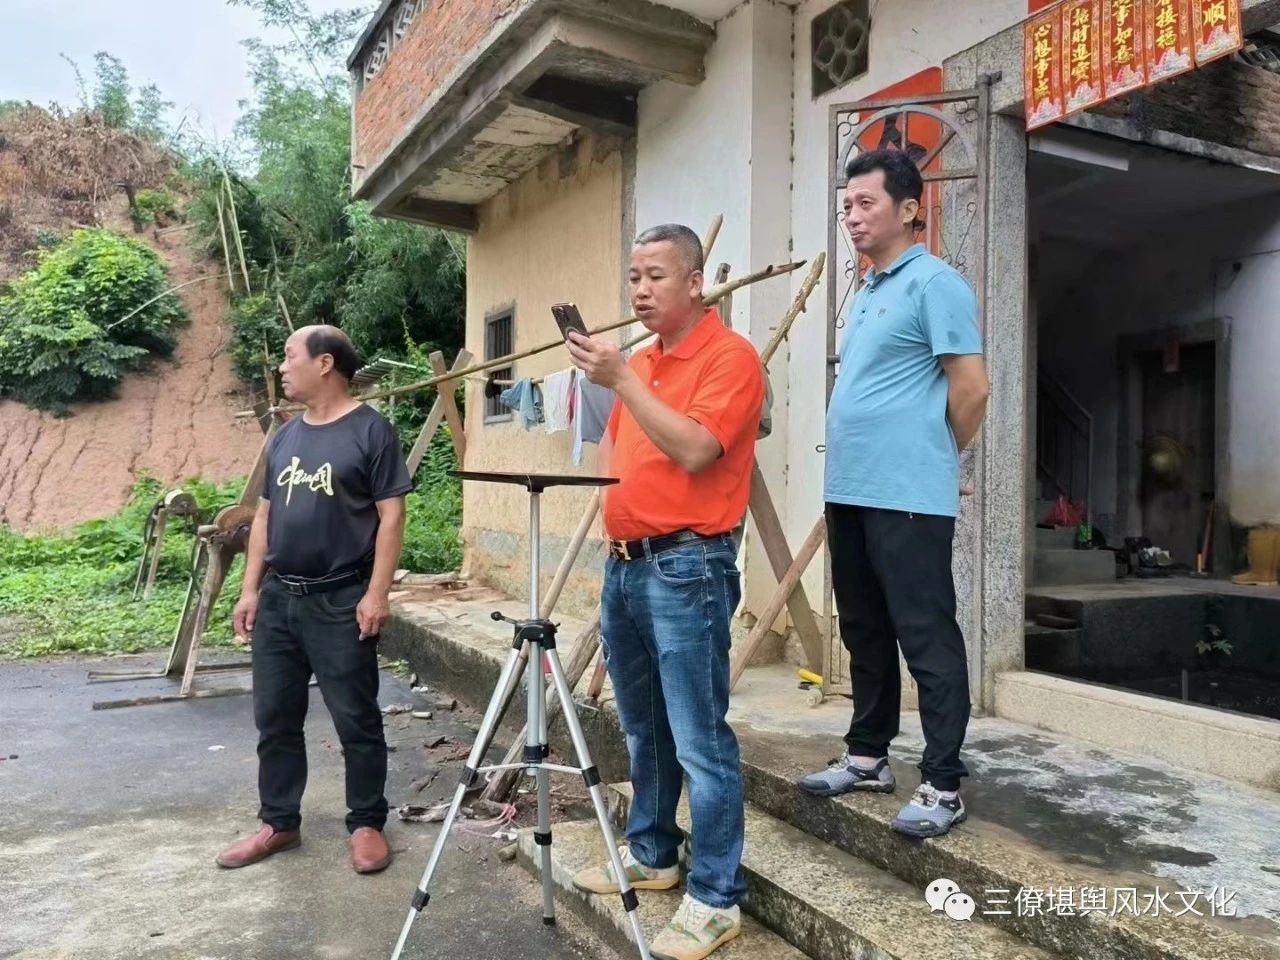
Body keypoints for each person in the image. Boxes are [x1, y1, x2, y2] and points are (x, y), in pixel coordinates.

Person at [565, 224, 764, 960]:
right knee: (644, 727)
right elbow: (620, 451)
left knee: (700, 739)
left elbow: (696, 449)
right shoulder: (644, 361)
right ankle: (653, 853)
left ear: (695, 282)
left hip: (688, 567)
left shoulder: (730, 357)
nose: (641, 290)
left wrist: (622, 379)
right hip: (626, 565)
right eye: (634, 277)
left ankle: (716, 897)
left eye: (656, 276)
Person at [799, 149, 989, 839]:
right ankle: (868, 755)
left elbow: (972, 389)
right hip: (851, 490)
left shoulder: (936, 283)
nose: (852, 216)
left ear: (909, 209)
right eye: (846, 206)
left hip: (907, 494)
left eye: (866, 203)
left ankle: (943, 783)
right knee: (864, 629)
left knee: (925, 634)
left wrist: (933, 456)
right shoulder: (870, 290)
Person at [217, 325, 412, 873]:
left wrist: (376, 593)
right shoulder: (285, 435)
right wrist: (250, 589)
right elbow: (265, 517)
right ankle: (279, 823)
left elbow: (391, 516)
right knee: (275, 716)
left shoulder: (371, 430)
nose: (282, 367)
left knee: (356, 718)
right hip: (281, 597)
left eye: (289, 356)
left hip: (341, 597)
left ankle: (367, 823)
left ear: (324, 363)